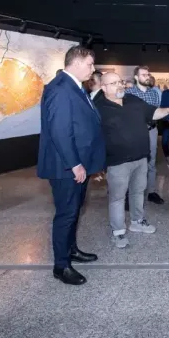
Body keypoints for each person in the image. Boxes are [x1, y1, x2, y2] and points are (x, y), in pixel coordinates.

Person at [37, 45, 106, 286]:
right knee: (66, 214)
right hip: (65, 166)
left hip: (78, 163)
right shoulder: (60, 89)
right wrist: (75, 164)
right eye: (90, 64)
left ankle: (71, 249)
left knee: (75, 209)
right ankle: (61, 266)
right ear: (76, 63)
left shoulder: (75, 87)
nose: (93, 69)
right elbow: (60, 131)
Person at [95, 72, 169, 247]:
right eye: (113, 83)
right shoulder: (99, 108)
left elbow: (152, 113)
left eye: (120, 81)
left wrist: (168, 110)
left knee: (138, 192)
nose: (119, 85)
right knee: (117, 198)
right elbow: (93, 137)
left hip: (140, 158)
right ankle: (118, 232)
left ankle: (137, 222)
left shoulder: (132, 100)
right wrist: (97, 164)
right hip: (117, 162)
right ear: (104, 87)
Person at [125, 66, 166, 205]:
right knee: (133, 162)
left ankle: (151, 192)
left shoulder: (154, 93)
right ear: (136, 77)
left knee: (151, 161)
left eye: (148, 74)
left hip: (151, 131)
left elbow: (155, 112)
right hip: (135, 132)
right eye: (143, 75)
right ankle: (129, 194)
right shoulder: (129, 93)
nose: (147, 77)